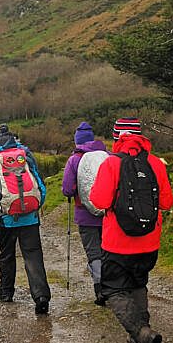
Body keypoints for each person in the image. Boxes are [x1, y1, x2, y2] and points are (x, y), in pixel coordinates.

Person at [89, 118, 173, 343]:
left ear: (117, 138)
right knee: (139, 283)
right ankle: (141, 337)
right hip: (149, 242)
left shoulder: (111, 163)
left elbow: (100, 201)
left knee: (114, 288)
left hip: (117, 242)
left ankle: (141, 333)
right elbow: (167, 202)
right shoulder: (156, 163)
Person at [0, 131, 52, 315]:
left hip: (6, 220)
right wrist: (35, 208)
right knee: (33, 257)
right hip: (30, 220)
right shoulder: (27, 160)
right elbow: (41, 188)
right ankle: (41, 297)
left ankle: (6, 293)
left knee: (7, 256)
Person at [61, 121, 109, 305]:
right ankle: (114, 286)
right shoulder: (107, 155)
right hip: (107, 214)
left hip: (85, 214)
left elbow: (67, 189)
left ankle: (100, 289)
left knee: (94, 251)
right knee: (108, 248)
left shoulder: (74, 159)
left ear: (77, 141)